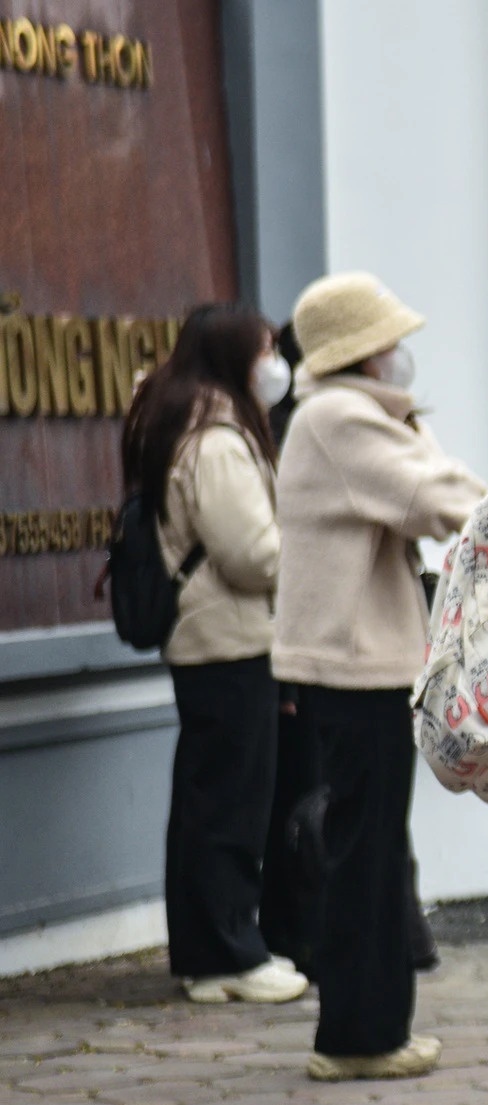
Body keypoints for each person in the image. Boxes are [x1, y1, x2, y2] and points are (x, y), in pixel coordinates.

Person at [273, 271, 487, 1082]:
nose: (401, 356)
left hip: (358, 660)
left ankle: (370, 1026)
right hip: (353, 663)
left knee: (370, 843)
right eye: (389, 342)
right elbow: (433, 497)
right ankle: (360, 1037)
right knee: (365, 850)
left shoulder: (352, 415)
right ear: (362, 350)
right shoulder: (339, 418)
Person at [122, 302, 307, 1005]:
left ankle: (214, 953)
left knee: (212, 797)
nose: (274, 364)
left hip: (212, 637)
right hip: (226, 638)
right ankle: (226, 953)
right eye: (263, 350)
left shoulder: (182, 421)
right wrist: (312, 556)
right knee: (229, 801)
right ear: (234, 357)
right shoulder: (217, 438)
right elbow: (253, 554)